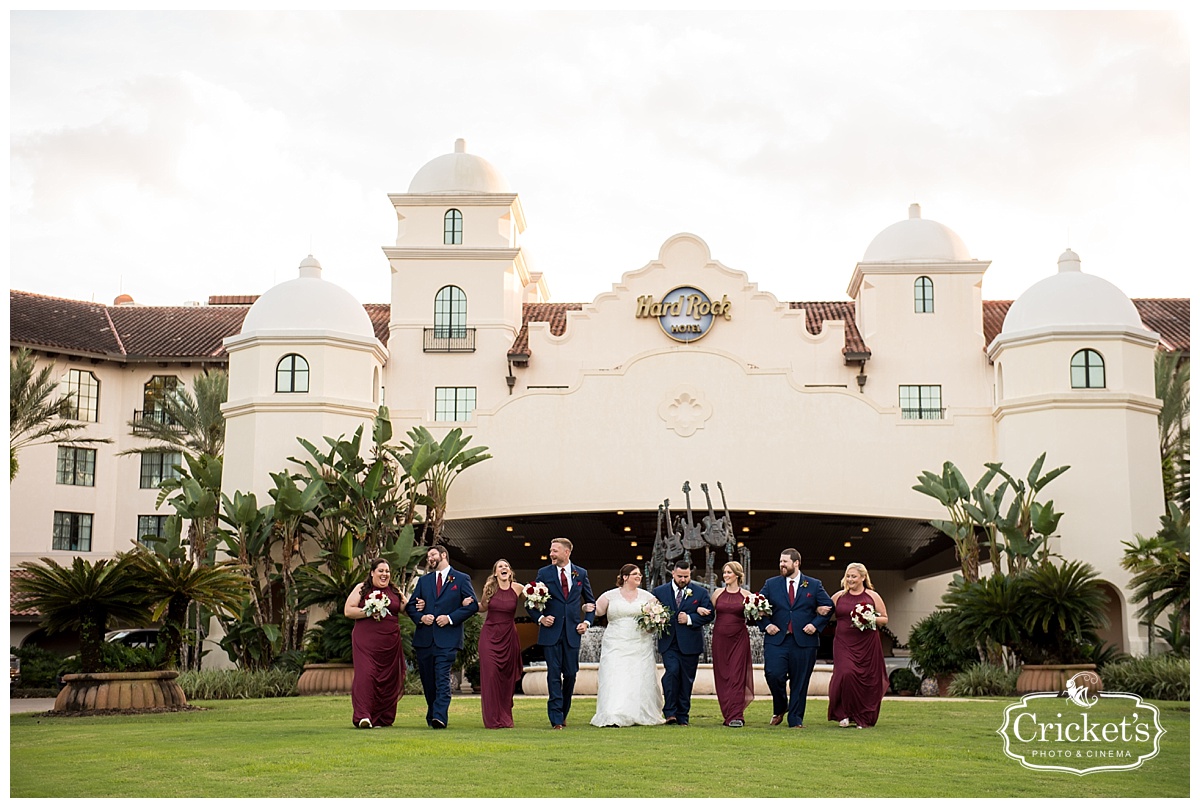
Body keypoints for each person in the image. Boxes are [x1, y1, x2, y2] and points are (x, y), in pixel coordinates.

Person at [757, 548, 834, 728]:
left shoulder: (814, 585)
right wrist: (766, 625)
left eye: (785, 561)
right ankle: (781, 706)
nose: (781, 565)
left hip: (804, 642)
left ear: (796, 563)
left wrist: (815, 624)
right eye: (780, 561)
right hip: (777, 640)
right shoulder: (771, 584)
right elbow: (756, 606)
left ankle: (796, 720)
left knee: (800, 681)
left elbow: (828, 606)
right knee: (773, 674)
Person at [404, 545, 478, 729]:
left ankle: (440, 717)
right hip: (425, 639)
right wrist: (421, 617)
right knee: (428, 681)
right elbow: (411, 607)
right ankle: (433, 714)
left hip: (448, 639)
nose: (430, 558)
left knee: (442, 677)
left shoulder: (461, 579)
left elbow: (472, 605)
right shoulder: (424, 581)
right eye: (428, 556)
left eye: (433, 555)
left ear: (443, 555)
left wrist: (450, 618)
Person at [526, 538, 595, 729]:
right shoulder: (544, 573)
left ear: (567, 552)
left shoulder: (581, 573)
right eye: (550, 551)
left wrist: (587, 622)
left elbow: (590, 603)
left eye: (555, 551)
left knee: (571, 674)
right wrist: (541, 618)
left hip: (572, 632)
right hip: (550, 633)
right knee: (554, 674)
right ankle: (556, 718)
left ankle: (563, 711)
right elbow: (530, 603)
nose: (551, 554)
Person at [590, 564, 664, 727]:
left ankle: (638, 712)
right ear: (625, 577)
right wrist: (585, 607)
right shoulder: (610, 595)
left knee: (638, 676)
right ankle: (612, 713)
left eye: (639, 574)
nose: (639, 576)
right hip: (615, 641)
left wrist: (655, 622)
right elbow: (597, 610)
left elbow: (657, 616)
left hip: (640, 642)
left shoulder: (647, 597)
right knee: (614, 675)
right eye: (635, 574)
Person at [344, 558, 407, 729]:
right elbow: (348, 610)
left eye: (387, 571)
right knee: (366, 675)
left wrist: (413, 602)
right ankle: (363, 715)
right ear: (372, 572)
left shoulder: (394, 590)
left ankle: (383, 717)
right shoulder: (362, 588)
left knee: (388, 678)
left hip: (390, 643)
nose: (384, 574)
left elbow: (405, 610)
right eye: (381, 571)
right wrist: (369, 611)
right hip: (366, 642)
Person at [650, 559, 713, 726]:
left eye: (686, 576)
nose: (683, 579)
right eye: (680, 576)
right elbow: (650, 612)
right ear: (673, 574)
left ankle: (683, 716)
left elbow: (710, 614)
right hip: (669, 642)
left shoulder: (700, 593)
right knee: (671, 672)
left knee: (686, 680)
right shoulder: (659, 592)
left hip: (690, 643)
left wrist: (691, 618)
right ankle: (670, 712)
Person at [828, 562, 890, 729]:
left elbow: (884, 618)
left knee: (866, 678)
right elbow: (823, 611)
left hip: (867, 644)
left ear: (863, 577)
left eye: (853, 576)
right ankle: (843, 713)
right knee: (845, 674)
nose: (850, 579)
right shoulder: (839, 596)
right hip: (843, 643)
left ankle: (862, 715)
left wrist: (869, 618)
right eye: (848, 576)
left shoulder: (872, 596)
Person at [477, 558, 524, 728]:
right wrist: (465, 604)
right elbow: (482, 606)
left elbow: (535, 601)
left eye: (506, 566)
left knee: (506, 678)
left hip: (509, 636)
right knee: (490, 675)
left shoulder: (518, 588)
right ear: (495, 573)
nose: (504, 568)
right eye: (500, 567)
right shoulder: (489, 588)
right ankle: (492, 719)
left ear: (510, 572)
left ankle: (505, 717)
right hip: (490, 635)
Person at [711, 561, 755, 728]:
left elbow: (753, 617)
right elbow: (710, 614)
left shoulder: (746, 595)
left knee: (737, 675)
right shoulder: (717, 594)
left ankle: (736, 715)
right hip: (720, 639)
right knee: (723, 676)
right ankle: (727, 712)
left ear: (737, 574)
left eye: (729, 572)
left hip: (739, 639)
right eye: (724, 572)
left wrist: (760, 610)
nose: (726, 575)